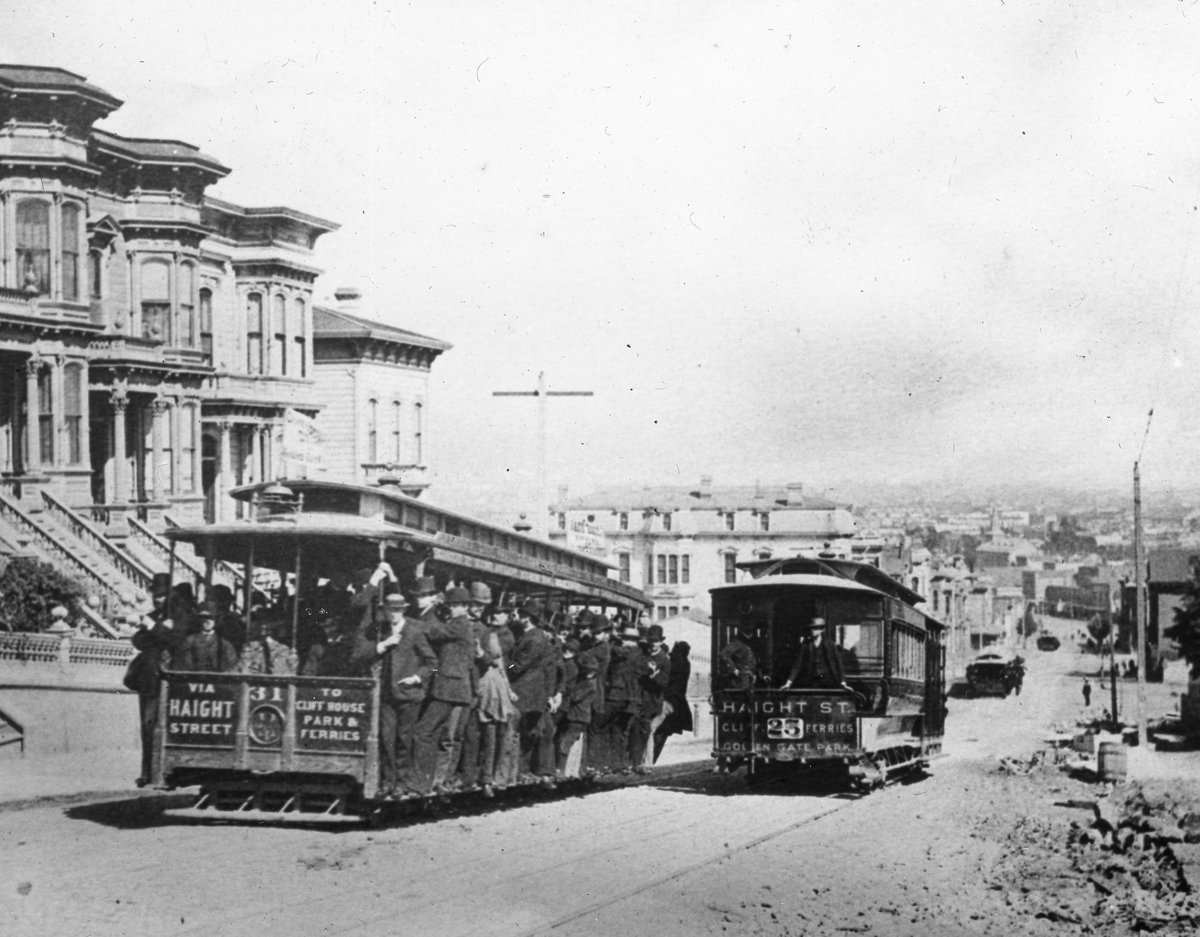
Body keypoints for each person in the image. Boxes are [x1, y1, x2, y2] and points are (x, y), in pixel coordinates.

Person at [412, 586, 479, 795]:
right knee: (440, 735)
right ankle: (434, 781)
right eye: (450, 605)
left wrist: (410, 623)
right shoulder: (460, 624)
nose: (451, 608)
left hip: (449, 688)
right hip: (454, 688)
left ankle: (422, 782)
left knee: (423, 732)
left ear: (465, 607)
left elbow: (433, 631)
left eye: (455, 605)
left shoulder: (460, 624)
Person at [372, 591, 436, 798]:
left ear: (403, 611)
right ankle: (388, 782)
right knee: (386, 738)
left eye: (397, 610)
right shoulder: (382, 631)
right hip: (387, 695)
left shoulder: (415, 631)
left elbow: (433, 664)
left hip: (409, 695)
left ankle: (402, 782)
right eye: (390, 610)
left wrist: (416, 678)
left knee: (403, 739)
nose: (393, 614)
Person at [129, 592, 183, 787]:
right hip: (149, 679)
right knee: (147, 725)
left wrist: (155, 629)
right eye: (156, 595)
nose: (157, 600)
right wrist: (158, 630)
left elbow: (175, 642)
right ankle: (147, 772)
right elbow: (138, 640)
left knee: (163, 726)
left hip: (168, 679)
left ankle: (162, 771)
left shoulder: (180, 617)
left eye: (161, 595)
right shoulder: (155, 616)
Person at [508, 601, 555, 783]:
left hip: (524, 690)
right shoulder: (535, 636)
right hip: (531, 690)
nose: (517, 617)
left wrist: (504, 665)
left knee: (524, 731)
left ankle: (522, 769)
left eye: (519, 614)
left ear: (527, 618)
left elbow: (518, 665)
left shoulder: (533, 639)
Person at [629, 624, 670, 773]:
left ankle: (645, 763)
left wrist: (653, 675)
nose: (653, 644)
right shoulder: (643, 656)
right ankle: (638, 762)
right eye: (651, 641)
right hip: (639, 698)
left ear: (661, 642)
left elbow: (665, 683)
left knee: (646, 731)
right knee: (637, 730)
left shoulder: (664, 660)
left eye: (656, 641)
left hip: (653, 701)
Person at [653, 641, 693, 763]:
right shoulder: (685, 663)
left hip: (668, 701)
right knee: (662, 734)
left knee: (657, 732)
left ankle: (649, 760)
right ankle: (651, 760)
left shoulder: (675, 663)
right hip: (678, 704)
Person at [780, 618, 845, 690]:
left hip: (828, 681)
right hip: (811, 681)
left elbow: (839, 664)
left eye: (815, 628)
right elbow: (797, 665)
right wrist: (789, 682)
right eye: (811, 628)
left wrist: (843, 682)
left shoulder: (830, 645)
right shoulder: (806, 645)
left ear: (822, 630)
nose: (812, 631)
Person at [174, 602, 239, 672]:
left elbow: (233, 667)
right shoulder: (190, 641)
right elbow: (183, 664)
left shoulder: (225, 644)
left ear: (216, 620)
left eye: (211, 618)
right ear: (199, 620)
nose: (208, 621)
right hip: (194, 680)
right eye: (204, 618)